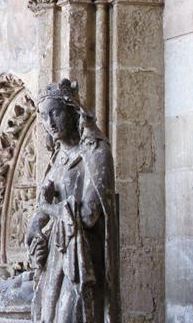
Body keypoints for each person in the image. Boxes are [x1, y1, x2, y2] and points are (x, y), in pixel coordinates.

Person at [26, 79, 120, 322]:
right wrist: (36, 233)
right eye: (44, 116)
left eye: (55, 113)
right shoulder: (57, 158)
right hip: (56, 257)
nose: (50, 123)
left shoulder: (95, 152)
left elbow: (89, 214)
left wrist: (48, 207)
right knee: (49, 315)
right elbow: (40, 211)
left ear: (71, 110)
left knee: (70, 316)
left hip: (82, 258)